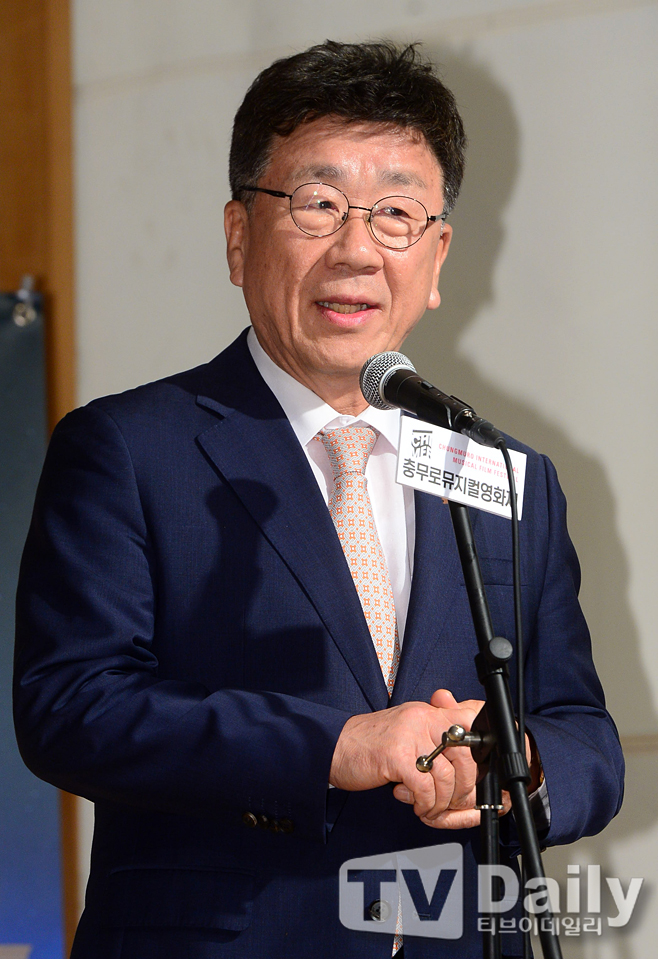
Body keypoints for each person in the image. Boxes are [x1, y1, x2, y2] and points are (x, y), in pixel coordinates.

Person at [14, 41, 623, 959]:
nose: (357, 249)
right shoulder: (130, 449)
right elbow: (74, 706)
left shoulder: (505, 476)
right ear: (238, 236)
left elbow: (587, 738)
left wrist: (514, 764)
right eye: (318, 203)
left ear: (438, 255)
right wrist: (334, 746)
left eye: (396, 214)